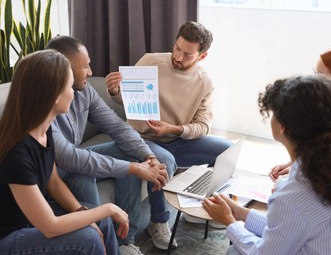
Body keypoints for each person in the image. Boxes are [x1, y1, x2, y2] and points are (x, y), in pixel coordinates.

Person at [202, 75, 331, 254]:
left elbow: (264, 252)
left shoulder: (293, 194)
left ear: (283, 127)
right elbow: (294, 226)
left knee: (234, 251)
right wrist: (241, 213)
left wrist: (229, 221)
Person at [45, 36, 176, 254]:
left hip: (75, 157)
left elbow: (117, 126)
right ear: (63, 70)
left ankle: (126, 241)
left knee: (131, 153)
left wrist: (148, 157)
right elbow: (68, 158)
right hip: (59, 169)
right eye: (85, 66)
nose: (90, 72)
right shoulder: (42, 105)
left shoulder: (83, 91)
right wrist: (135, 169)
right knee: (87, 174)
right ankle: (103, 243)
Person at [0, 50, 129, 254]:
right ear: (52, 95)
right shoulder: (17, 151)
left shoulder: (44, 130)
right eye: (69, 86)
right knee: (88, 237)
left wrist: (84, 212)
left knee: (100, 220)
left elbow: (53, 182)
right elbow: (50, 227)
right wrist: (108, 208)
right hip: (9, 236)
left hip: (31, 219)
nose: (74, 92)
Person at [105, 21, 232, 228]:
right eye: (177, 48)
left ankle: (200, 207)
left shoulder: (205, 82)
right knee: (164, 161)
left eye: (188, 55)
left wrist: (174, 129)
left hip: (176, 139)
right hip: (142, 139)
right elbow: (125, 100)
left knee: (226, 152)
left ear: (202, 56)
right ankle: (159, 222)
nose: (178, 57)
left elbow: (203, 126)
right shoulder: (150, 61)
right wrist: (115, 91)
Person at [269, 47, 331, 181]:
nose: (315, 82)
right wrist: (295, 163)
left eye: (320, 75)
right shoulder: (330, 111)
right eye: (315, 73)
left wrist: (301, 169)